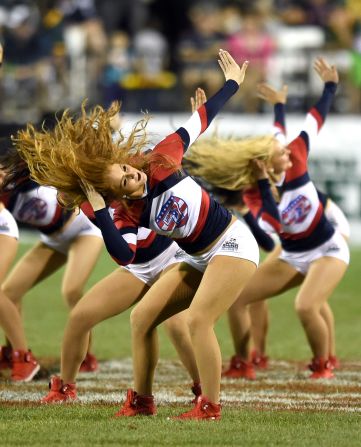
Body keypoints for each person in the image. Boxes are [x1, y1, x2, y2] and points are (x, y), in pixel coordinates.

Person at [16, 50, 259, 420]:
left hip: (232, 242)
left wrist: (231, 84)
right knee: (141, 318)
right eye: (125, 181)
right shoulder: (125, 212)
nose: (134, 176)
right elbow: (125, 256)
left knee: (195, 321)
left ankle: (209, 405)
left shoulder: (161, 158)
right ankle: (143, 401)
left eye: (128, 169)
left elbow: (199, 121)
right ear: (116, 195)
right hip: (194, 256)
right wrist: (99, 210)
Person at [185, 57, 350, 379]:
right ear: (264, 162)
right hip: (291, 253)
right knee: (236, 299)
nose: (288, 152)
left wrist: (330, 86)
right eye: (281, 152)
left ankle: (323, 364)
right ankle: (244, 361)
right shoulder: (254, 191)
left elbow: (314, 120)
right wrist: (261, 182)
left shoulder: (295, 157)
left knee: (306, 305)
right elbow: (273, 228)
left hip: (327, 248)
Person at [0, 145, 104, 373]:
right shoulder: (2, 200)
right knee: (9, 293)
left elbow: (47, 153)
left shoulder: (20, 176)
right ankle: (12, 353)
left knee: (71, 290)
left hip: (84, 229)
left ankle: (85, 356)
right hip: (52, 240)